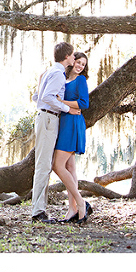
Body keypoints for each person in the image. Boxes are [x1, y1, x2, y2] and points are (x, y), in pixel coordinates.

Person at [30, 42, 79, 223]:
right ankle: (38, 212)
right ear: (66, 56)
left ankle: (39, 210)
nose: (74, 58)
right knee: (43, 166)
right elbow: (46, 98)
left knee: (44, 165)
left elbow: (36, 97)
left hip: (46, 118)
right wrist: (67, 109)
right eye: (72, 55)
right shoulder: (58, 74)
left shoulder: (50, 72)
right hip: (49, 118)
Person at [52, 51, 92, 224]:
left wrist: (62, 102)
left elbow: (84, 103)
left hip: (73, 123)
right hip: (65, 122)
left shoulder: (80, 80)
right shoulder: (63, 78)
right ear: (72, 61)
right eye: (79, 62)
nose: (80, 66)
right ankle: (72, 209)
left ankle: (81, 203)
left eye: (83, 64)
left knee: (57, 165)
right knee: (70, 167)